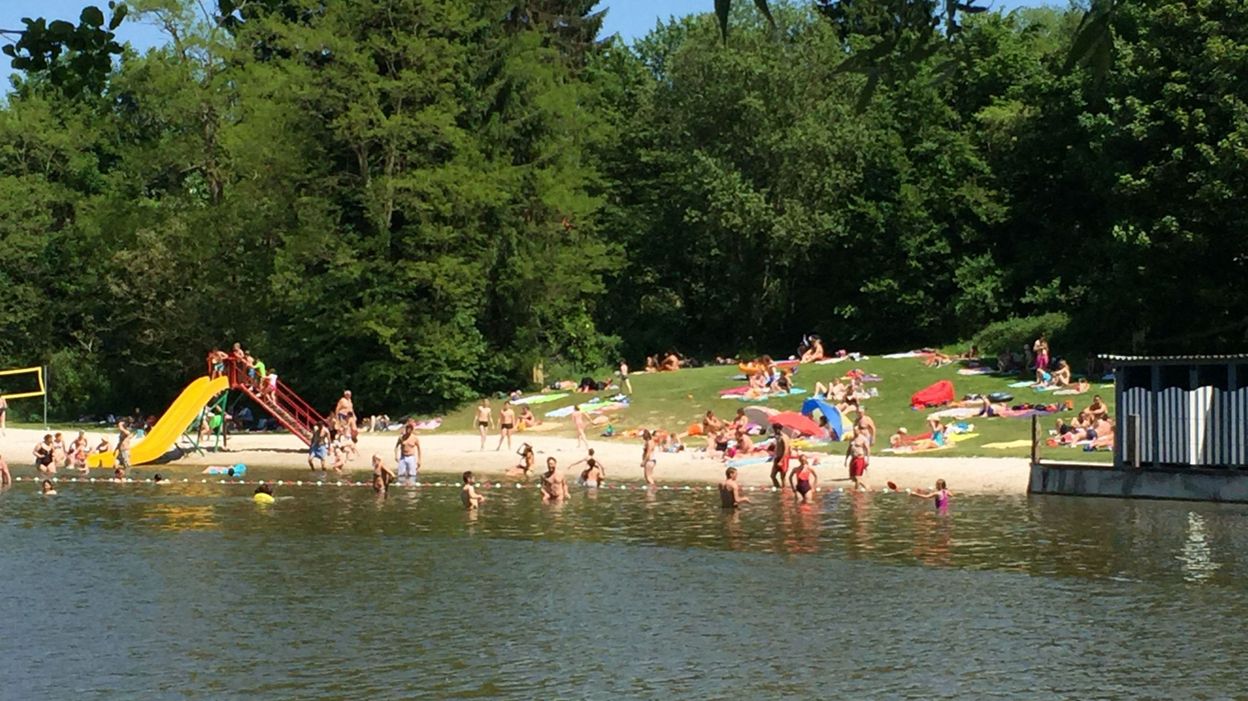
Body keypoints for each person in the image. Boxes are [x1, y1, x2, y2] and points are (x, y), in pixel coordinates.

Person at [845, 426, 871, 491]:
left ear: (859, 431)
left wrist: (867, 460)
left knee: (857, 476)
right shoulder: (852, 439)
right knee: (852, 477)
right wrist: (846, 459)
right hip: (853, 458)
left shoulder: (863, 439)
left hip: (860, 458)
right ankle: (866, 486)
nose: (855, 432)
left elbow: (868, 449)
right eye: (854, 430)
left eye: (856, 430)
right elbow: (849, 449)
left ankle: (856, 490)